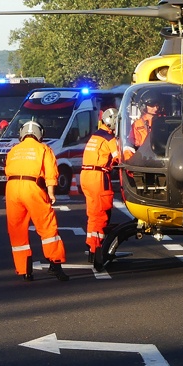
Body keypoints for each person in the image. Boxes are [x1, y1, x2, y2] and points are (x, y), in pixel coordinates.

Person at [4, 120, 68, 281]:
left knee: (16, 229)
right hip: (32, 187)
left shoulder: (14, 150)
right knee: (47, 226)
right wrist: (51, 192)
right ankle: (55, 264)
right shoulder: (43, 149)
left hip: (11, 188)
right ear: (40, 134)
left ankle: (24, 270)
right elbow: (51, 173)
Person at [80, 108, 120, 265]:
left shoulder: (95, 136)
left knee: (93, 214)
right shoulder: (109, 138)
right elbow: (119, 157)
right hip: (98, 177)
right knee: (102, 214)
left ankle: (91, 247)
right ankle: (97, 251)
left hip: (86, 175)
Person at [123, 93, 160, 159]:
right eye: (152, 106)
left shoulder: (163, 120)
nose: (155, 108)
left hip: (161, 154)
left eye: (157, 105)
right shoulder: (137, 124)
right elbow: (131, 143)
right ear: (143, 106)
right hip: (143, 157)